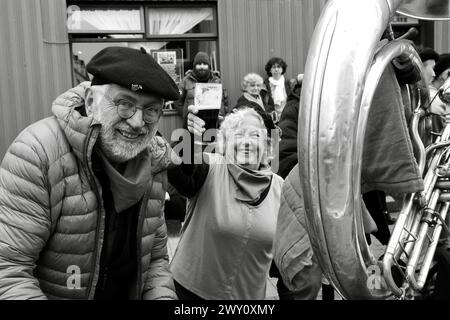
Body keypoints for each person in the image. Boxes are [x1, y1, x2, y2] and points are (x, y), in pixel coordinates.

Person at [0, 46, 180, 300]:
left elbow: (155, 261)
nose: (138, 122)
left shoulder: (153, 161)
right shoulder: (38, 153)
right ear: (91, 102)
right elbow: (9, 270)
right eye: (124, 104)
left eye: (151, 110)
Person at [167, 107, 284, 300]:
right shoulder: (210, 168)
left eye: (255, 135)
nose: (246, 142)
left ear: (265, 145)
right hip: (190, 294)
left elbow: (285, 260)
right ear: (225, 143)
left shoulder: (280, 189)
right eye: (238, 135)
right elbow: (180, 173)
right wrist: (189, 135)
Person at [174, 51, 228, 126]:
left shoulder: (216, 81)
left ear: (209, 66)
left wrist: (220, 116)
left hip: (213, 124)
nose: (202, 66)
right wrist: (186, 115)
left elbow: (223, 102)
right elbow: (177, 100)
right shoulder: (186, 80)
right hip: (192, 124)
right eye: (199, 64)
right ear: (194, 66)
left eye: (205, 64)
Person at [264, 57, 291, 123]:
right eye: (273, 67)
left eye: (278, 67)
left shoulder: (288, 84)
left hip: (287, 117)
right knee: (275, 133)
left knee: (286, 132)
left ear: (282, 69)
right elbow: (264, 102)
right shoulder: (265, 85)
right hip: (273, 119)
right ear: (270, 70)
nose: (276, 69)